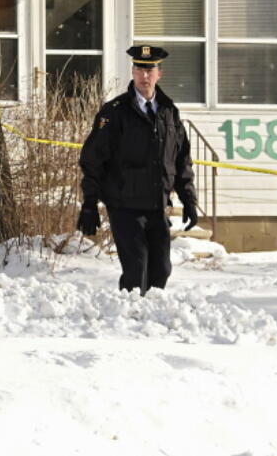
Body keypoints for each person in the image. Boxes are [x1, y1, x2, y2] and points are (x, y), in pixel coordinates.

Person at [77, 44, 198, 293]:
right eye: (139, 69)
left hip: (157, 205)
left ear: (159, 74)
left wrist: (188, 199)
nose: (145, 76)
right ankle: (130, 320)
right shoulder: (115, 112)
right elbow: (92, 158)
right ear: (132, 72)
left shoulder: (169, 112)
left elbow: (181, 160)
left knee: (161, 270)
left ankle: (151, 320)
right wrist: (89, 203)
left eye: (150, 70)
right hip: (124, 206)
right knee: (136, 270)